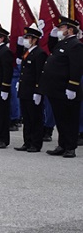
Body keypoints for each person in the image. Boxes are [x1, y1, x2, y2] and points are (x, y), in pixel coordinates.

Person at [40, 16, 83, 158]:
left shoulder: (75, 45)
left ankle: (70, 147)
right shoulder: (62, 43)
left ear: (70, 30)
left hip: (67, 89)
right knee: (60, 119)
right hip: (56, 89)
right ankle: (62, 145)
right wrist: (52, 35)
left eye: (61, 28)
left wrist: (73, 86)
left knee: (69, 119)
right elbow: (52, 48)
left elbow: (76, 67)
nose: (59, 30)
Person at [14, 27, 47, 153]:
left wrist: (38, 91)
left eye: (27, 38)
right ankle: (27, 142)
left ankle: (35, 143)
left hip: (33, 91)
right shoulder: (26, 53)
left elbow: (40, 74)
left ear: (34, 40)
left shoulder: (39, 53)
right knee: (26, 118)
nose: (25, 40)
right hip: (25, 90)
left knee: (35, 118)